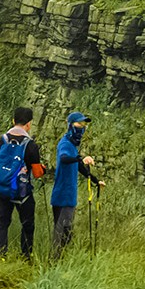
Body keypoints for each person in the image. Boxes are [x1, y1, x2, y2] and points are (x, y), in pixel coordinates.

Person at [0, 107, 46, 259]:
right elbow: (37, 174)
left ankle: (0, 256)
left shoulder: (2, 140)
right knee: (27, 224)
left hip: (3, 189)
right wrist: (43, 169)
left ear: (13, 121)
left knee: (2, 223)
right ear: (29, 124)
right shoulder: (30, 145)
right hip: (21, 192)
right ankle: (25, 256)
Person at [49, 111, 101, 258]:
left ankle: (63, 262)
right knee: (62, 232)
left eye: (84, 124)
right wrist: (80, 158)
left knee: (67, 233)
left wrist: (95, 180)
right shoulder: (65, 143)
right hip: (62, 196)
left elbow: (79, 168)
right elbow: (64, 158)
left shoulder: (72, 145)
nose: (82, 127)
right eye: (79, 123)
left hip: (70, 197)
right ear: (71, 125)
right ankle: (54, 262)